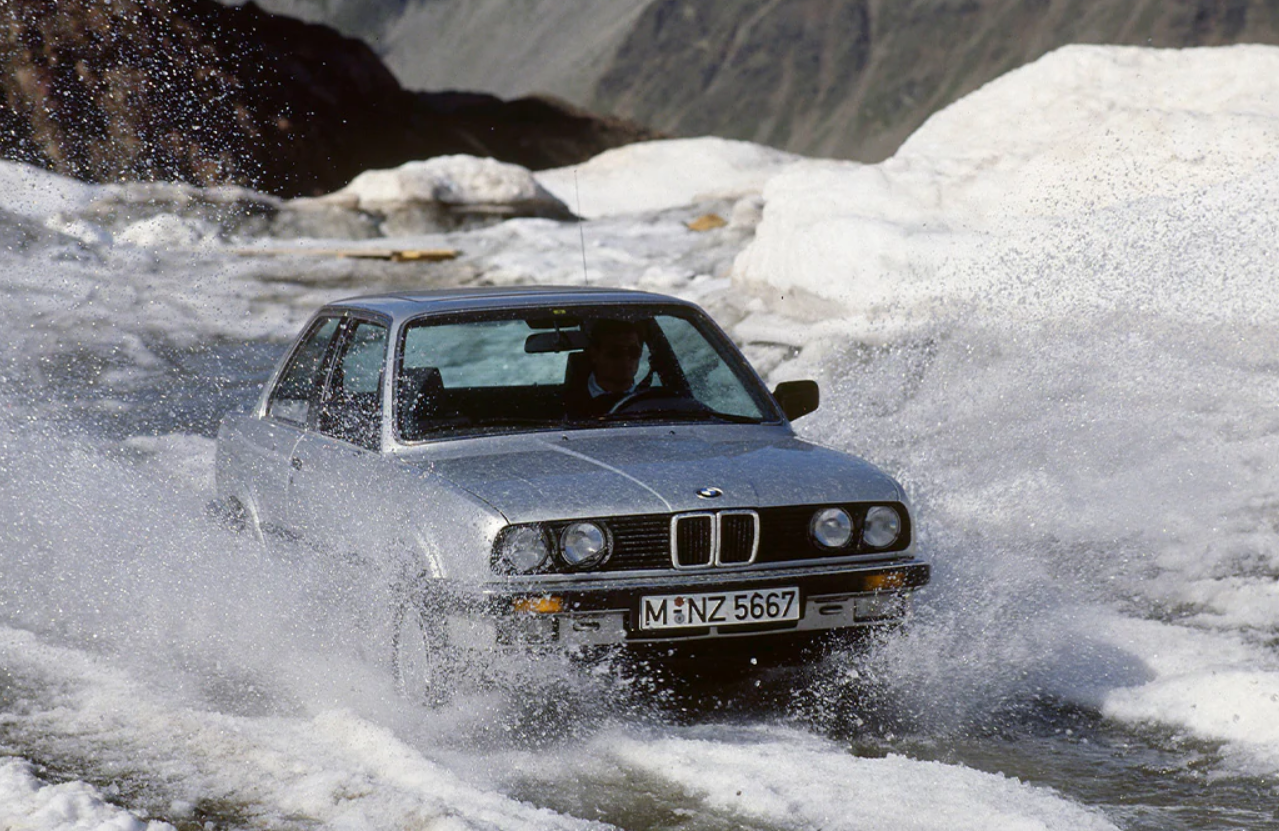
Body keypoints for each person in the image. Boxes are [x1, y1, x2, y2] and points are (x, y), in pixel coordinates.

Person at [565, 319, 644, 417]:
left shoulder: (652, 399)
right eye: (615, 352)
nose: (626, 358)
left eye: (633, 351)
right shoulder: (564, 405)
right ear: (594, 355)